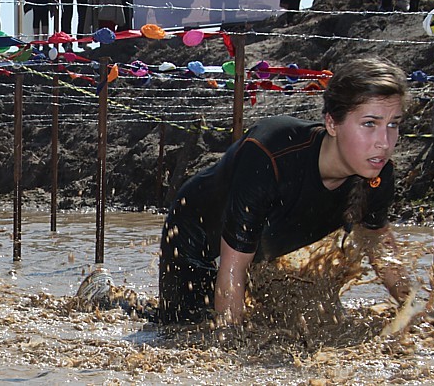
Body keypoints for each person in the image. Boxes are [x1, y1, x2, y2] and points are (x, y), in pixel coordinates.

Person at [159, 58, 412, 324]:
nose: (384, 142)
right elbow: (233, 267)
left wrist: (416, 313)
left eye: (393, 124)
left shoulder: (378, 175)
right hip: (195, 232)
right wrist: (229, 350)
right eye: (370, 124)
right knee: (186, 331)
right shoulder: (270, 155)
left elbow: (379, 248)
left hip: (260, 245)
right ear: (332, 124)